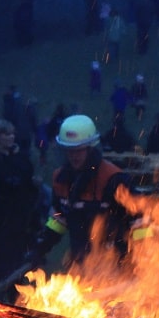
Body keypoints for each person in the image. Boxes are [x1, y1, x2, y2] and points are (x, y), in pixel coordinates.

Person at [30, 114, 140, 267]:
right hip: (81, 264)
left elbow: (140, 221)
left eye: (79, 150)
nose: (74, 156)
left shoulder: (114, 179)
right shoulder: (60, 179)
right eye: (70, 150)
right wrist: (41, 247)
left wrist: (141, 255)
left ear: (90, 148)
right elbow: (59, 219)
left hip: (116, 265)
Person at [0, 119, 38, 286]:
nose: (11, 137)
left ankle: (17, 295)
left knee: (18, 258)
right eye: (7, 134)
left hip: (19, 216)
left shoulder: (20, 157)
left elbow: (27, 179)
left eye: (12, 134)